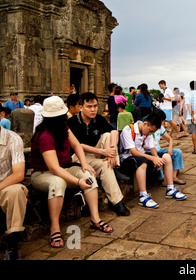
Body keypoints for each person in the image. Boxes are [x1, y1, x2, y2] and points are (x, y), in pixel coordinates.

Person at [30, 96, 113, 248]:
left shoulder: (64, 127)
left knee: (88, 175)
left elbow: (76, 145)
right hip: (42, 174)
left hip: (66, 167)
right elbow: (53, 168)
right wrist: (77, 181)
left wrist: (84, 163)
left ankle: (95, 218)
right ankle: (54, 227)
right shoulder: (45, 135)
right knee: (57, 181)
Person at [68, 92, 130, 216]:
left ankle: (114, 164)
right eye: (89, 106)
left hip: (95, 154)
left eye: (95, 106)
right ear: (81, 107)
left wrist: (111, 152)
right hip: (78, 156)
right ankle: (117, 202)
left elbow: (114, 131)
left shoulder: (98, 119)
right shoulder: (72, 122)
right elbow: (78, 145)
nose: (93, 109)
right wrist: (103, 152)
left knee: (108, 135)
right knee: (105, 166)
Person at [119, 112, 186, 208]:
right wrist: (152, 158)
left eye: (152, 132)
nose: (150, 134)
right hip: (127, 158)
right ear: (145, 124)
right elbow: (133, 152)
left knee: (166, 157)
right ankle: (142, 196)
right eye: (150, 131)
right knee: (142, 161)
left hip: (142, 155)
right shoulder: (128, 130)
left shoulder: (147, 132)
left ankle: (170, 189)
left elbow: (152, 148)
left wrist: (158, 159)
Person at [0, 126, 28, 260]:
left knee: (16, 192)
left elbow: (19, 174)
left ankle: (12, 246)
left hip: (6, 185)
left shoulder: (12, 138)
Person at [146, 108, 186, 185]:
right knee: (159, 158)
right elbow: (142, 145)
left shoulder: (160, 127)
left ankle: (174, 176)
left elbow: (169, 139)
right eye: (162, 120)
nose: (162, 122)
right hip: (149, 151)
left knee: (177, 152)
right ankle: (164, 178)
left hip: (158, 150)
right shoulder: (147, 127)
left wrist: (170, 148)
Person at [184, 80, 196, 154]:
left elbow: (188, 106)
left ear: (190, 86)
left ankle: (195, 148)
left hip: (190, 117)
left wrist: (192, 115)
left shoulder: (187, 95)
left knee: (194, 132)